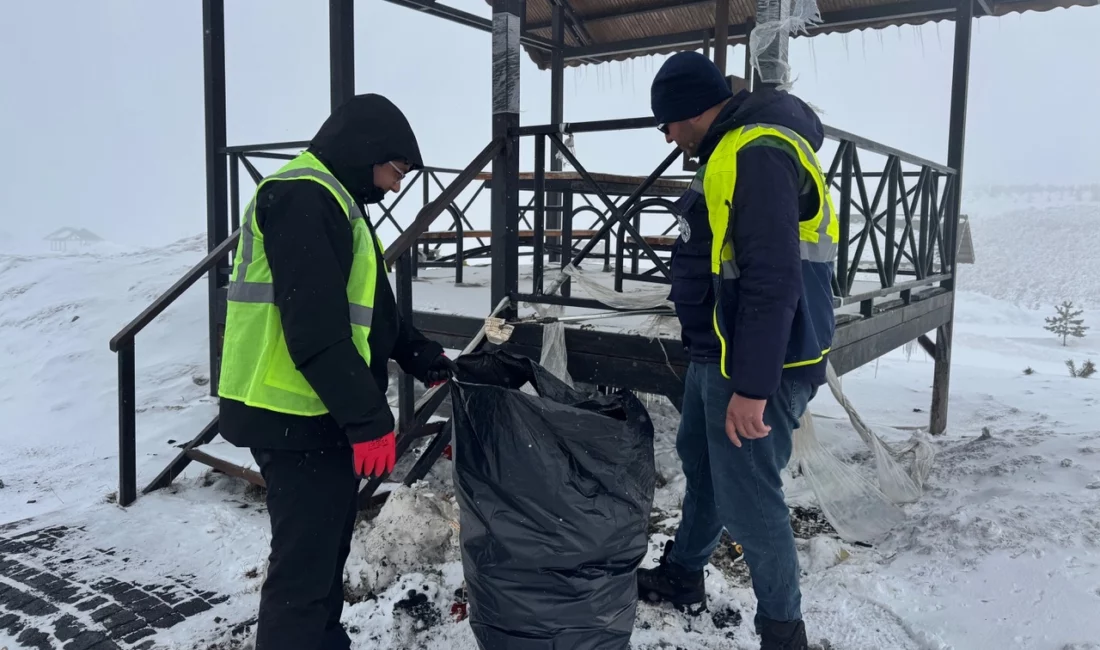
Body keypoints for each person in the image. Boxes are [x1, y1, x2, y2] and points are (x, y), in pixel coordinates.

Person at [216, 93, 457, 650]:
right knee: (302, 574)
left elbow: (375, 314)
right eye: (395, 169)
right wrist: (369, 421)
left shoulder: (338, 203)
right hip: (291, 415)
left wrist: (422, 357)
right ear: (365, 148)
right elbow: (316, 328)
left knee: (323, 557)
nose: (395, 185)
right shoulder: (304, 196)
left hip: (314, 414)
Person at [638, 52, 839, 650]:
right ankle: (682, 577)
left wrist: (751, 387)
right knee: (702, 470)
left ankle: (783, 632)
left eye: (667, 122)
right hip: (718, 352)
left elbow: (771, 275)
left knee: (750, 498)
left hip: (761, 365)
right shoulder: (729, 150)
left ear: (693, 109)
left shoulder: (759, 153)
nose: (668, 137)